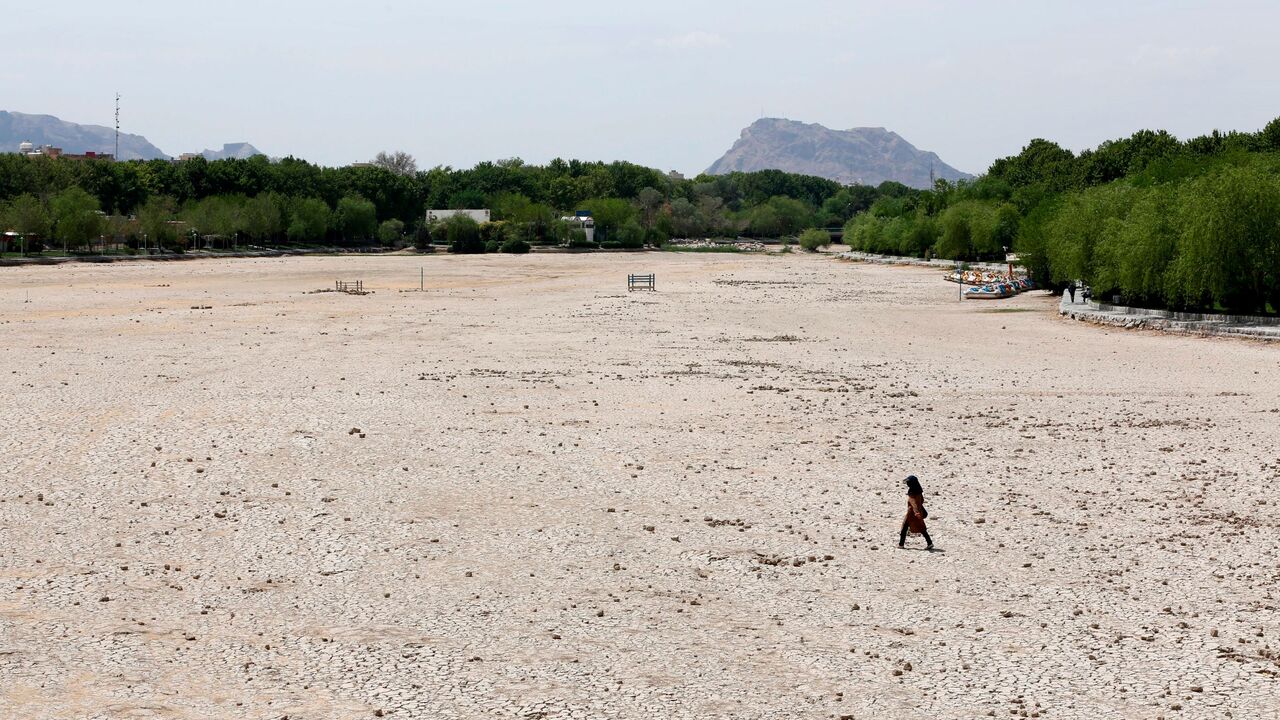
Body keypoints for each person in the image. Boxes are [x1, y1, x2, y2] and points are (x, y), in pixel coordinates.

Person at [898, 475, 933, 550]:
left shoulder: (912, 493)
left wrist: (916, 512)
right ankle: (929, 543)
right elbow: (922, 501)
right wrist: (919, 511)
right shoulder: (919, 490)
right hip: (918, 512)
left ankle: (901, 544)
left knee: (904, 527)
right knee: (922, 528)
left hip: (911, 513)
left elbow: (913, 504)